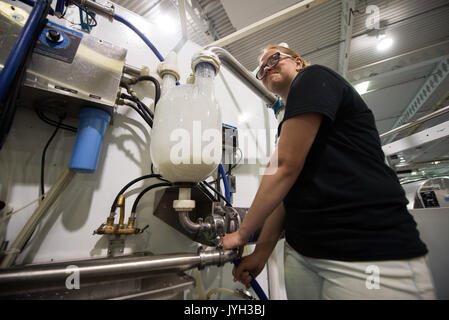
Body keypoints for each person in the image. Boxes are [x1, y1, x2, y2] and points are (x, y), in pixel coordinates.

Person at [222, 45, 436, 299]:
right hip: (303, 251)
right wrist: (261, 252)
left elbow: (284, 167)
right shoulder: (288, 125)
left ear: (298, 62)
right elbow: (285, 192)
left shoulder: (314, 77)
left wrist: (242, 233)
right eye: (262, 68)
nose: (267, 67)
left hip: (365, 251)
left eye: (274, 58)